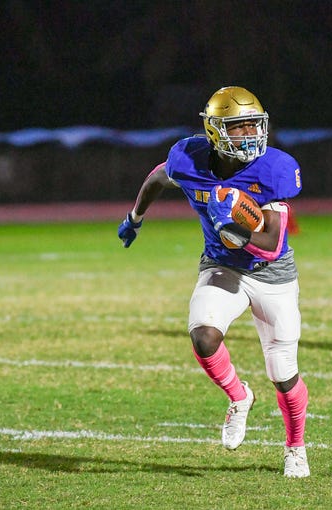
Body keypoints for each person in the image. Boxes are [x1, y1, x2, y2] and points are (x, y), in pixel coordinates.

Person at [117, 86, 310, 478]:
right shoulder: (189, 158)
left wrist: (233, 230)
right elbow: (159, 177)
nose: (249, 134)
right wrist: (135, 216)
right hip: (222, 266)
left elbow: (271, 244)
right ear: (216, 132)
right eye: (238, 127)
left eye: (253, 125)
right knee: (203, 336)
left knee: (283, 374)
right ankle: (239, 397)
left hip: (272, 275)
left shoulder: (274, 168)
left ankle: (295, 447)